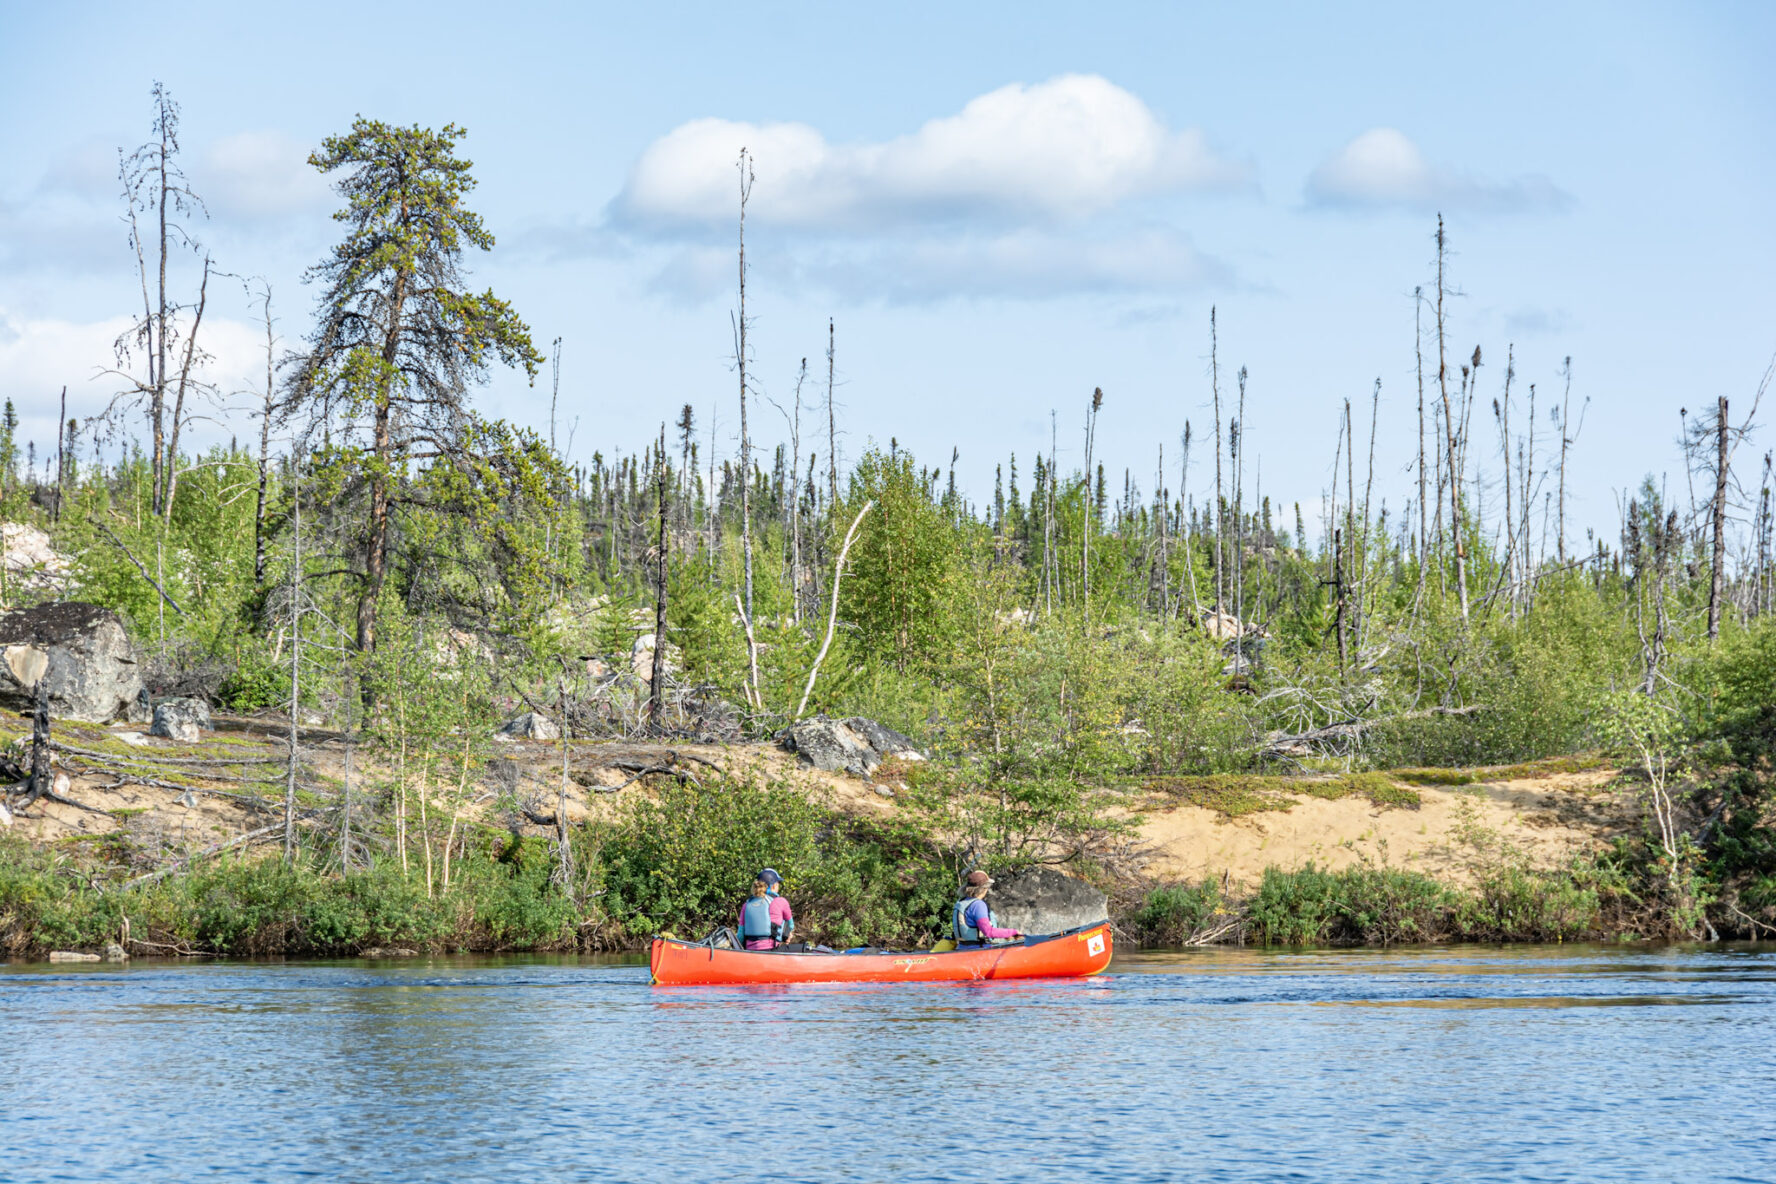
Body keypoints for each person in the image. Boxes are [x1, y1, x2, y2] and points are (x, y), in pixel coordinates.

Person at [952, 870, 1024, 946]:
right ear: (984, 888)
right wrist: (1013, 932)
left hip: (962, 948)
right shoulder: (978, 905)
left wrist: (1005, 935)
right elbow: (988, 932)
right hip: (978, 950)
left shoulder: (961, 902)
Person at [737, 868, 795, 950]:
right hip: (772, 951)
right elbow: (791, 925)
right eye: (778, 883)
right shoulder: (781, 901)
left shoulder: (746, 905)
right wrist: (787, 937)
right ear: (774, 885)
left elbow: (740, 935)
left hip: (749, 952)